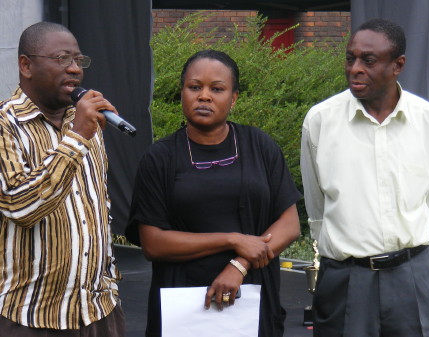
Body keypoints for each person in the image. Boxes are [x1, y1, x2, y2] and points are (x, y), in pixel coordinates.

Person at [125, 49, 301, 337]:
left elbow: (289, 224)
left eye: (217, 89)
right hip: (182, 308)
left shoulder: (259, 145)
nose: (204, 96)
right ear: (182, 93)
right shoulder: (160, 158)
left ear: (233, 98)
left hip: (251, 300)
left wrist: (239, 265)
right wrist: (232, 239)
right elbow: (153, 243)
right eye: (195, 87)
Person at [301, 18, 429, 337]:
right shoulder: (321, 121)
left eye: (368, 60)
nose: (355, 68)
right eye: (350, 58)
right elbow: (317, 204)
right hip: (345, 279)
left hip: (412, 276)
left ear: (398, 65)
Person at [0, 22, 124, 336]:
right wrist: (77, 137)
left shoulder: (86, 123)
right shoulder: (6, 124)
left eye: (78, 61)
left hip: (98, 311)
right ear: (26, 65)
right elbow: (21, 207)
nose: (74, 70)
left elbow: (97, 206)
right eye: (61, 60)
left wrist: (109, 278)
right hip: (30, 315)